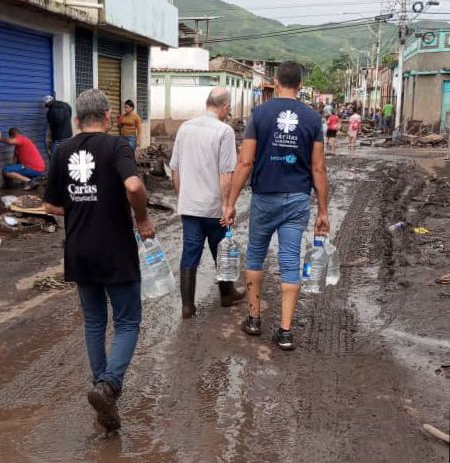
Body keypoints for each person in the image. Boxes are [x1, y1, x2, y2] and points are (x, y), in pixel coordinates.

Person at [43, 89, 154, 432]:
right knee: (126, 322)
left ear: (77, 120)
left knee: (94, 322)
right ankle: (108, 386)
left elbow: (50, 206)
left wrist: (80, 206)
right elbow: (134, 187)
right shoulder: (117, 146)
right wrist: (142, 219)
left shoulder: (62, 150)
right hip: (115, 250)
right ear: (108, 118)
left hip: (79, 250)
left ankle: (100, 388)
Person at [221, 61, 330, 350]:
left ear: (276, 82)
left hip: (264, 197)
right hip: (296, 199)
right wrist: (322, 211)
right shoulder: (312, 119)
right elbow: (319, 169)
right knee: (290, 262)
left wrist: (230, 203)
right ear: (300, 86)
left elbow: (245, 162)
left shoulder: (260, 114)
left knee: (255, 257)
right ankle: (285, 331)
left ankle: (254, 319)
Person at [169, 87, 245, 319]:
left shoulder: (185, 128)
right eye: (228, 108)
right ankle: (227, 294)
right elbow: (225, 175)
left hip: (190, 206)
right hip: (214, 207)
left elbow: (175, 169)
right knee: (221, 250)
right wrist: (227, 206)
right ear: (224, 107)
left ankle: (187, 306)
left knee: (190, 251)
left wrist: (184, 196)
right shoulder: (224, 131)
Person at [44, 95, 73, 160]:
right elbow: (70, 115)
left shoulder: (50, 112)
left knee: (54, 157)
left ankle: (55, 169)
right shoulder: (66, 105)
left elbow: (52, 126)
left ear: (48, 103)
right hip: (69, 135)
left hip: (58, 138)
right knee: (67, 155)